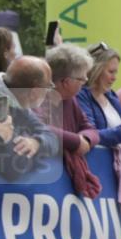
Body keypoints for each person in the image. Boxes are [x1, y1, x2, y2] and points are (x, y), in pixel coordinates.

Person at [0, 56, 60, 179]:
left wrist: (36, 142)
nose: (49, 92)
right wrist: (35, 157)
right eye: (48, 86)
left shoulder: (18, 103)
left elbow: (52, 138)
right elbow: (16, 167)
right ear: (34, 91)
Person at [44, 45, 103, 198]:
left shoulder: (71, 100)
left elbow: (90, 129)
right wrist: (76, 142)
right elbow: (38, 128)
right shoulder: (38, 97)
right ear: (66, 82)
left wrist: (86, 140)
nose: (85, 81)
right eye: (82, 79)